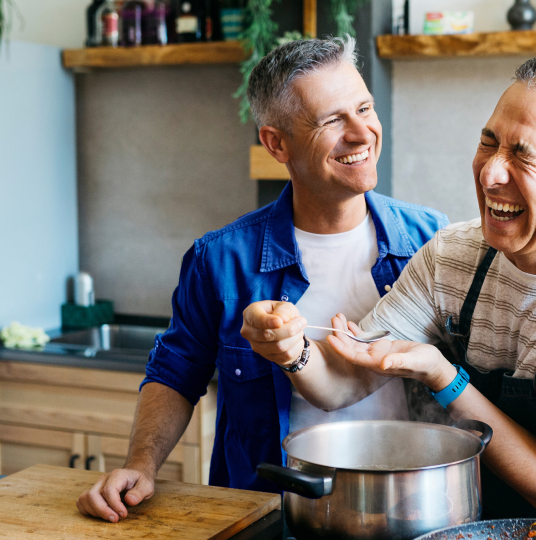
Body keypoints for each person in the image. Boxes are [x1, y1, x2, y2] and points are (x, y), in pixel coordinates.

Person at [242, 54, 536, 539]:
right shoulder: (453, 256)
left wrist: (443, 376)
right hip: (482, 526)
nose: (490, 173)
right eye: (488, 141)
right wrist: (293, 352)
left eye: (523, 154)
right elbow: (344, 382)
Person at [75, 36, 448, 523]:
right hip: (272, 517)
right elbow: (173, 374)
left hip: (413, 511)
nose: (362, 133)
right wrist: (140, 466)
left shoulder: (435, 241)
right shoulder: (219, 259)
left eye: (364, 108)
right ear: (276, 143)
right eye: (333, 120)